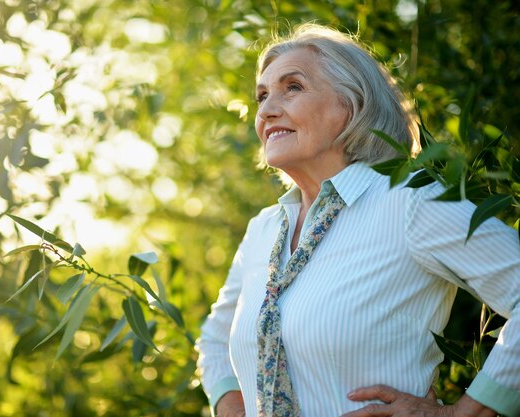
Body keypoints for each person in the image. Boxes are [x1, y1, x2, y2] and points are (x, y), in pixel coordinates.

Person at [196, 23, 520, 417]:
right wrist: (231, 404)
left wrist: (466, 411)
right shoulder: (263, 229)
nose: (266, 109)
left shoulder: (411, 203)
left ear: (352, 105)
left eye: (292, 87)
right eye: (262, 95)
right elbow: (214, 340)